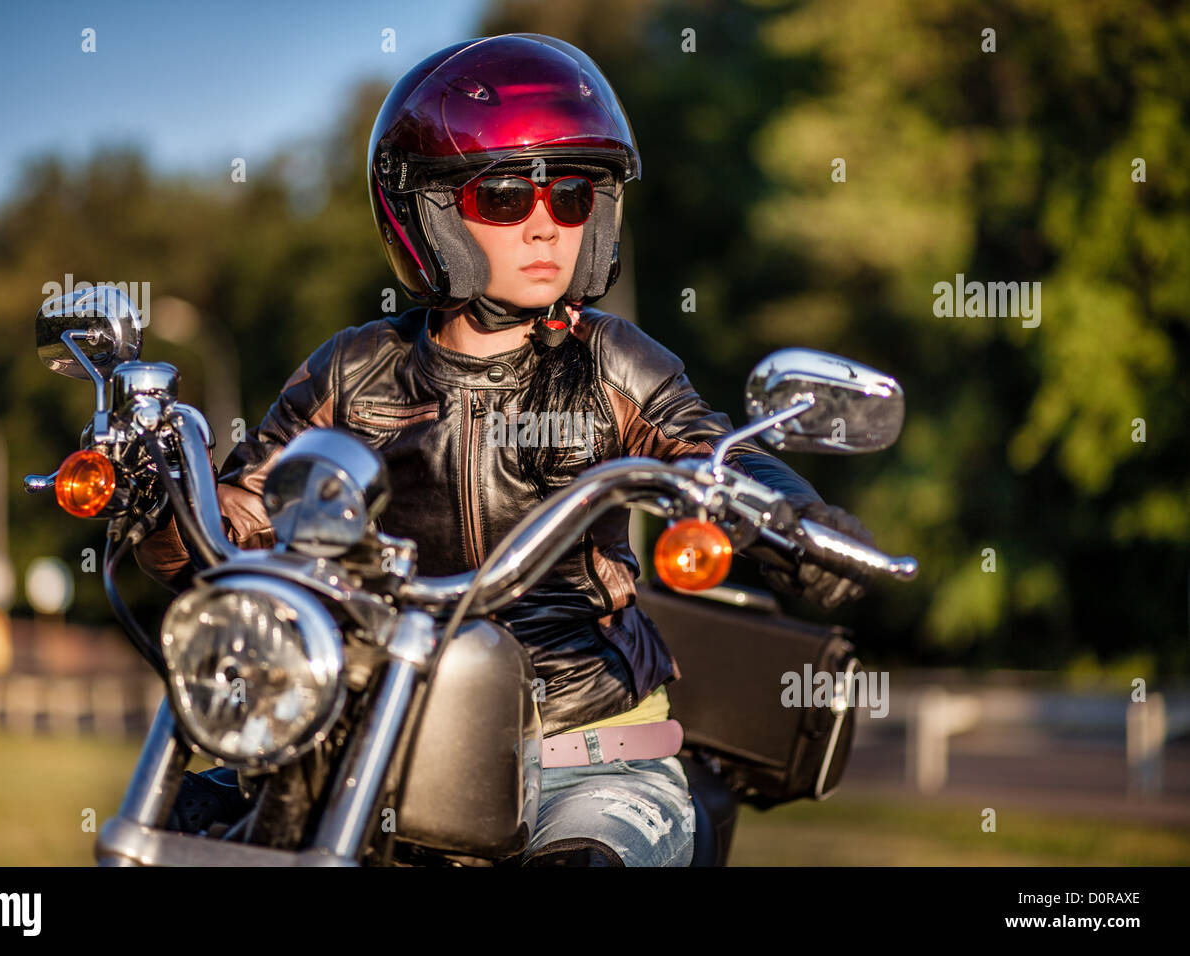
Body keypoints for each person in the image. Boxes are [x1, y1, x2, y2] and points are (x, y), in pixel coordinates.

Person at [136, 33, 877, 866]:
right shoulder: (353, 369)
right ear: (432, 212)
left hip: (588, 755)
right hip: (384, 741)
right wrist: (163, 502)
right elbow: (243, 514)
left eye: (570, 196)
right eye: (504, 198)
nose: (544, 226)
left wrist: (794, 516)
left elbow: (708, 450)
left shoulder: (611, 360)